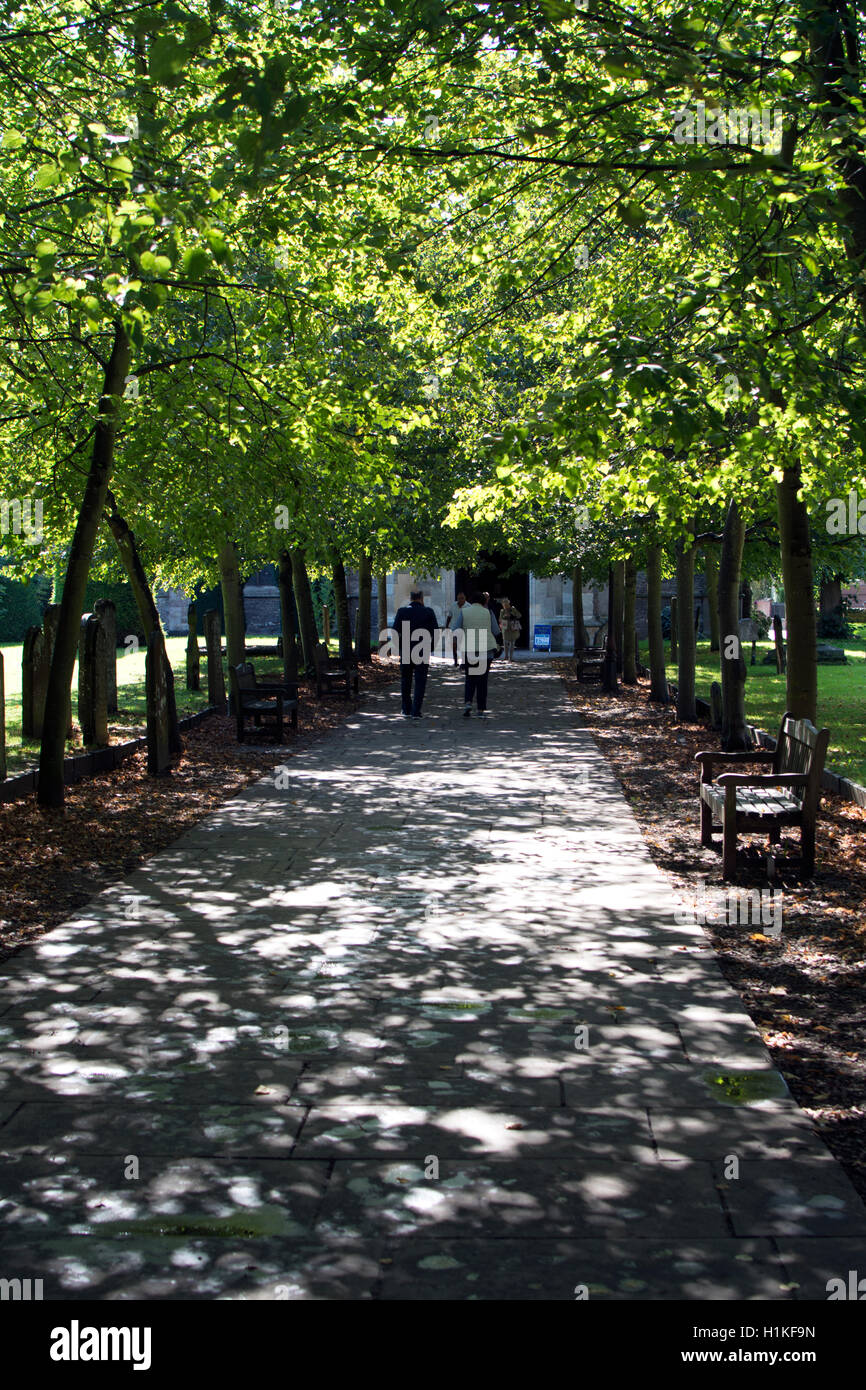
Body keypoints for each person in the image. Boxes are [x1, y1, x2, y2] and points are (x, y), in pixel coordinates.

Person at [451, 589, 500, 717]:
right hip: (486, 649)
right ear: (483, 601)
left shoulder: (464, 612)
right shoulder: (488, 612)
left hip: (469, 649)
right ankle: (480, 709)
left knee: (470, 677)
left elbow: (455, 628)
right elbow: (496, 630)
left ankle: (468, 703)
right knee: (482, 680)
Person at [391, 589, 439, 718]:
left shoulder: (402, 612)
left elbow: (394, 632)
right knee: (420, 681)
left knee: (405, 680)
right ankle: (416, 710)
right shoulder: (428, 612)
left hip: (406, 649)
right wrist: (431, 647)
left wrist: (400, 647)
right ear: (421, 598)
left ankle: (406, 709)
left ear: (410, 598)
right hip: (422, 650)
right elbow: (436, 632)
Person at [444, 591, 466, 666]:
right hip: (454, 629)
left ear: (465, 598)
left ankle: (463, 662)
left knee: (463, 646)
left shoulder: (468, 606)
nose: (461, 600)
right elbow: (449, 616)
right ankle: (455, 661)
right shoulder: (453, 605)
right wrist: (446, 627)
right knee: (454, 646)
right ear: (457, 599)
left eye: (462, 598)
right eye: (459, 598)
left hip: (463, 629)